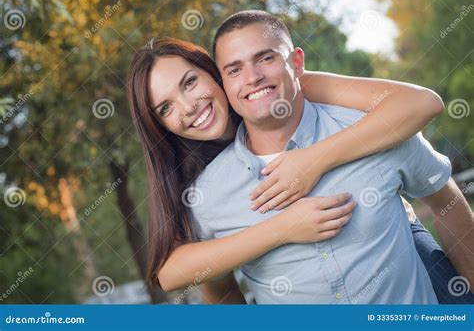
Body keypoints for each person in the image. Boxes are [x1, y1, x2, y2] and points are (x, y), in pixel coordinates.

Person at [127, 17, 473, 303]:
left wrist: (314, 160)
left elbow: (420, 106)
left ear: (213, 75)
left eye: (189, 83)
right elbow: (176, 273)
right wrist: (282, 229)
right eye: (166, 108)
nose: (188, 107)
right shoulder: (201, 187)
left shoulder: (314, 95)